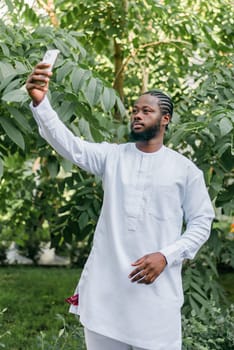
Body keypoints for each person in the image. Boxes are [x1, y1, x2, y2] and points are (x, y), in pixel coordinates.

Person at [26, 63, 215, 350]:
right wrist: (41, 102)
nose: (137, 115)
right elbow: (70, 145)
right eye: (135, 110)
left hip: (156, 297)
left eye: (146, 111)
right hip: (106, 295)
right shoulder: (113, 157)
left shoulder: (185, 170)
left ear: (165, 119)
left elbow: (202, 222)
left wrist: (167, 255)